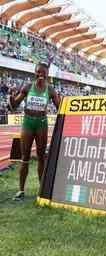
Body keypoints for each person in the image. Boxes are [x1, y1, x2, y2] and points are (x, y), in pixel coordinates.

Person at [8, 62, 60, 201]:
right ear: (35, 73)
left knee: (41, 156)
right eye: (38, 72)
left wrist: (62, 100)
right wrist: (11, 99)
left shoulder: (50, 89)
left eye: (43, 73)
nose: (41, 75)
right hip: (28, 123)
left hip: (41, 123)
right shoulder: (27, 87)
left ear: (48, 75)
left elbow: (60, 107)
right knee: (24, 158)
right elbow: (14, 106)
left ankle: (41, 189)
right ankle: (21, 190)